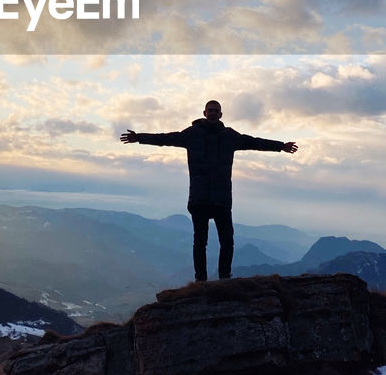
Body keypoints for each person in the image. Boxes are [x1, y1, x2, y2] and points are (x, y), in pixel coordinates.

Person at [121, 100, 297, 282]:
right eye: (210, 110)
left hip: (221, 199)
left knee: (227, 241)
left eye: (216, 111)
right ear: (204, 113)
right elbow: (165, 138)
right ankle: (201, 280)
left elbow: (254, 142)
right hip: (199, 198)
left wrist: (281, 146)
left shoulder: (230, 136)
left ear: (221, 114)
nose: (213, 113)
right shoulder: (191, 134)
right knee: (200, 242)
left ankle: (224, 277)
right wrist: (139, 137)